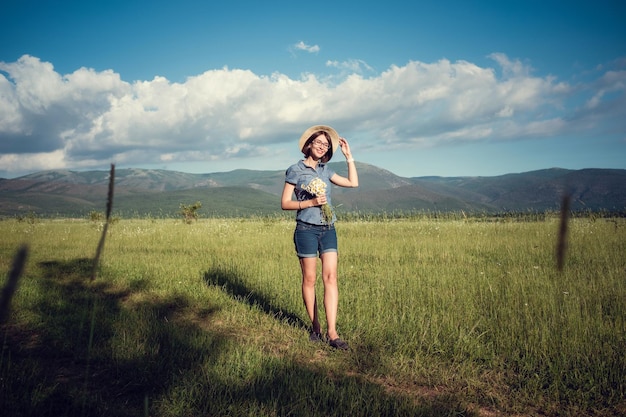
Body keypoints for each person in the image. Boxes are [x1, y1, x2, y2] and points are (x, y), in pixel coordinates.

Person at [281, 125, 359, 350]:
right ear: (309, 144)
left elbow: (353, 183)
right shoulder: (295, 170)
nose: (322, 147)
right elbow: (285, 203)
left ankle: (332, 332)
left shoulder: (326, 171)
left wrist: (349, 157)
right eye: (319, 143)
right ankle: (315, 327)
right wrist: (311, 203)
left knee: (331, 277)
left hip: (328, 228)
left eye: (326, 145)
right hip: (306, 229)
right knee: (310, 279)